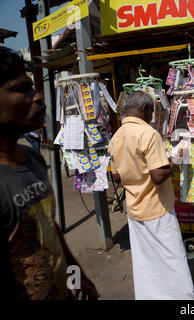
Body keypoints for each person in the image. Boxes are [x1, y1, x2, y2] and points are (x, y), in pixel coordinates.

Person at [0, 46, 99, 300]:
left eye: (33, 88)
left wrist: (77, 275)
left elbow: (50, 227)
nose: (38, 97)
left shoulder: (32, 158)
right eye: (23, 90)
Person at [108, 90, 194, 300]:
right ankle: (184, 299)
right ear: (143, 109)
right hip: (157, 208)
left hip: (135, 210)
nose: (152, 116)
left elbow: (116, 177)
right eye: (151, 110)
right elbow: (158, 176)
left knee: (145, 261)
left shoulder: (116, 137)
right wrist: (175, 161)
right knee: (172, 256)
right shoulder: (148, 134)